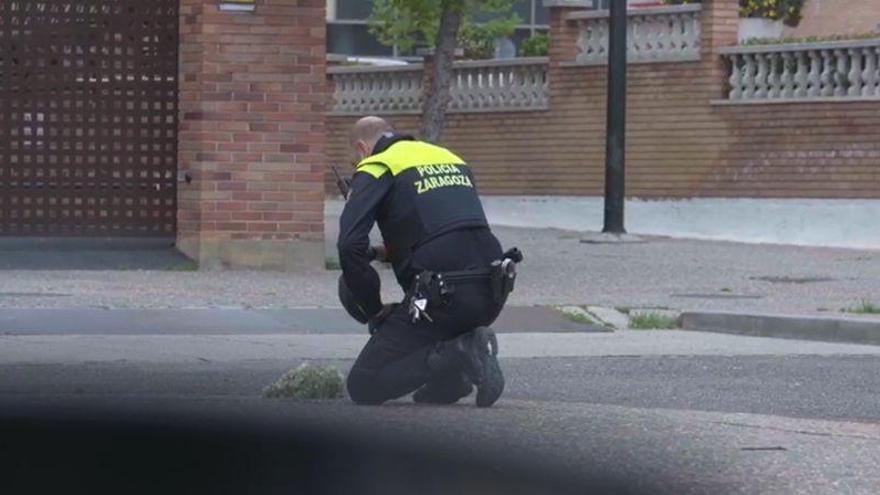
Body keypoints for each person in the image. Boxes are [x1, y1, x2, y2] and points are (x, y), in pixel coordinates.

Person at [338, 116, 519, 408]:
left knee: (364, 383)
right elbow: (439, 232)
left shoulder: (378, 164)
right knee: (434, 390)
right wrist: (380, 253)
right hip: (491, 291)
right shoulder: (447, 157)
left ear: (361, 148)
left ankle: (458, 350)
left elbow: (349, 245)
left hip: (442, 298)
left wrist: (374, 310)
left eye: (354, 160)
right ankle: (452, 372)